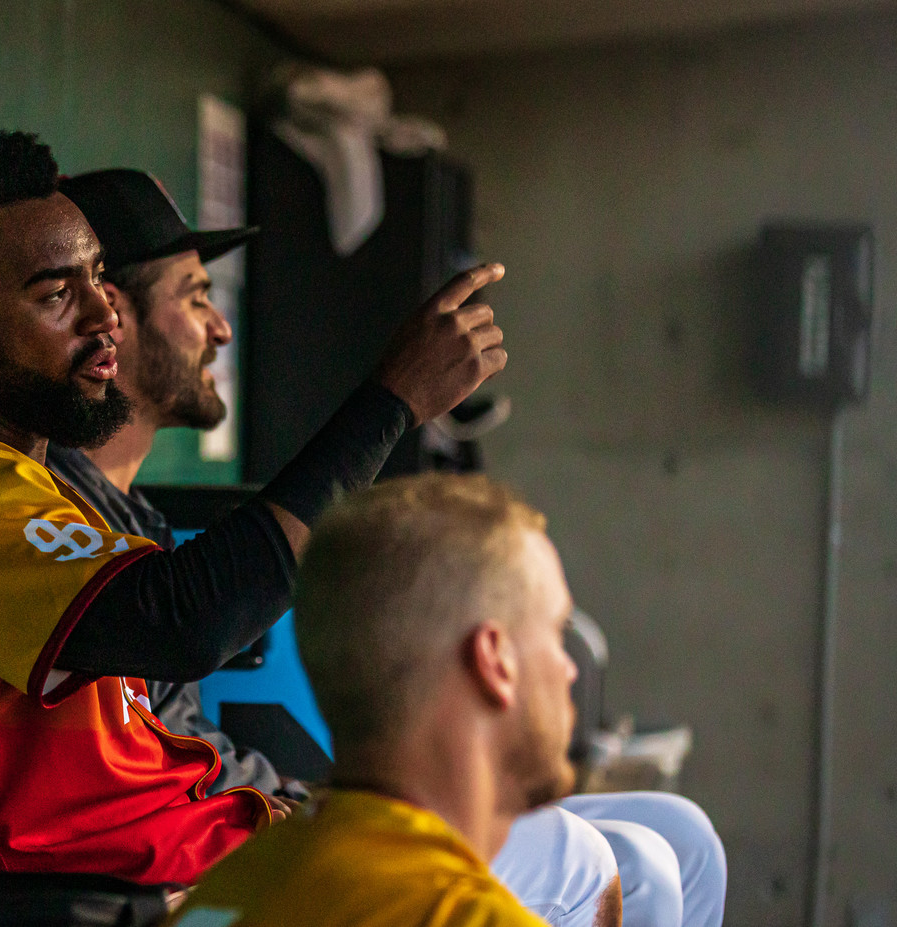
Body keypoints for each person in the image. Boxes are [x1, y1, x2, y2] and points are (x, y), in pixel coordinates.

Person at [0, 130, 507, 885]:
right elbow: (186, 621)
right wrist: (389, 405)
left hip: (200, 862)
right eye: (57, 294)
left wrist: (277, 809)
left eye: (97, 279)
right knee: (576, 858)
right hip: (105, 901)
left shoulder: (22, 479)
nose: (102, 314)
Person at [53, 167, 727, 927]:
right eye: (195, 295)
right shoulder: (48, 515)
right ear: (114, 315)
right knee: (616, 860)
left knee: (681, 835)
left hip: (262, 805)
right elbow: (196, 623)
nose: (221, 327)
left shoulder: (131, 512)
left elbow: (186, 717)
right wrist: (393, 400)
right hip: (210, 857)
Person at [166, 472, 613, 927]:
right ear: (495, 660)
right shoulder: (468, 917)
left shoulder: (235, 881)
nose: (569, 668)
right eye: (555, 632)